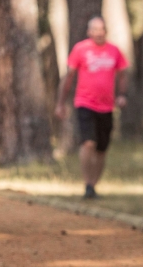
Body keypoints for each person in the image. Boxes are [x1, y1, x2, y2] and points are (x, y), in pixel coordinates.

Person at [55, 16, 128, 199]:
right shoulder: (81, 49)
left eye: (101, 29)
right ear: (89, 32)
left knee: (102, 149)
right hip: (85, 103)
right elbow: (69, 77)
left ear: (106, 30)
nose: (98, 32)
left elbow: (122, 75)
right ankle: (87, 183)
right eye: (94, 29)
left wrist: (121, 95)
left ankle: (93, 186)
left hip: (107, 107)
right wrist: (60, 103)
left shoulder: (114, 51)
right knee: (88, 143)